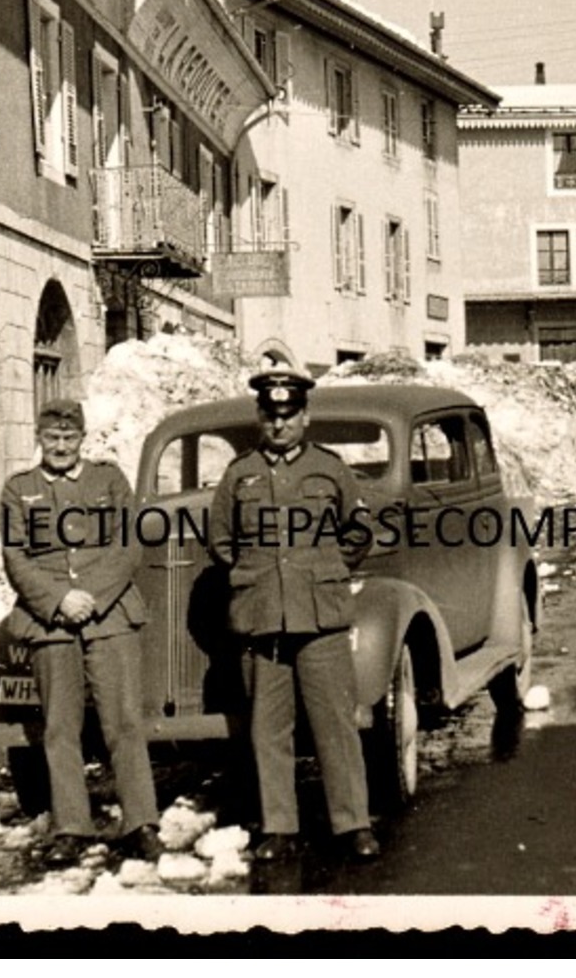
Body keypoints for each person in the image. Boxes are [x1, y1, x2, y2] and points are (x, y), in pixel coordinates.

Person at [206, 368, 380, 863]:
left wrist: (325, 569)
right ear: (260, 417)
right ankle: (278, 826)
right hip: (263, 618)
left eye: (288, 415)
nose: (279, 425)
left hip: (320, 617)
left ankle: (353, 824)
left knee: (335, 726)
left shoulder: (330, 469)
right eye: (270, 415)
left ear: (305, 416)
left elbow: (358, 528)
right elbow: (221, 541)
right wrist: (256, 575)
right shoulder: (240, 474)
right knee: (268, 727)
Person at [0, 398, 163, 867]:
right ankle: (71, 825)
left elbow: (128, 544)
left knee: (125, 724)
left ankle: (141, 822)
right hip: (50, 622)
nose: (61, 447)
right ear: (39, 438)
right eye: (52, 439)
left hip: (108, 616)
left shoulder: (108, 480)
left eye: (69, 439)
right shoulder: (19, 489)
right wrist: (58, 601)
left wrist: (90, 594)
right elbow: (15, 557)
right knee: (59, 728)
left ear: (82, 439)